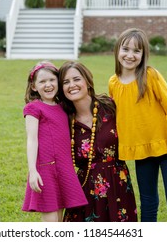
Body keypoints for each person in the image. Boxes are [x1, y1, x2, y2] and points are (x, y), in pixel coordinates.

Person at [108, 28, 167, 222]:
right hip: (142, 152)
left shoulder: (150, 76)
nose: (130, 55)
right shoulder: (113, 83)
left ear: (143, 54)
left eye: (136, 51)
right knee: (147, 206)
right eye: (125, 49)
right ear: (117, 51)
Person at [58, 61, 138, 222]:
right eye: (66, 82)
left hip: (118, 185)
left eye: (76, 79)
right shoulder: (63, 118)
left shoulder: (110, 105)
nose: (72, 85)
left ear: (87, 81)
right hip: (84, 188)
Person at [22, 61, 87, 222]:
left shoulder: (63, 107)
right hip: (46, 169)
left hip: (64, 168)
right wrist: (33, 171)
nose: (48, 85)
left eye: (52, 80)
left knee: (60, 218)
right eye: (42, 81)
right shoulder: (34, 108)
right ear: (34, 86)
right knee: (51, 220)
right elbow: (32, 139)